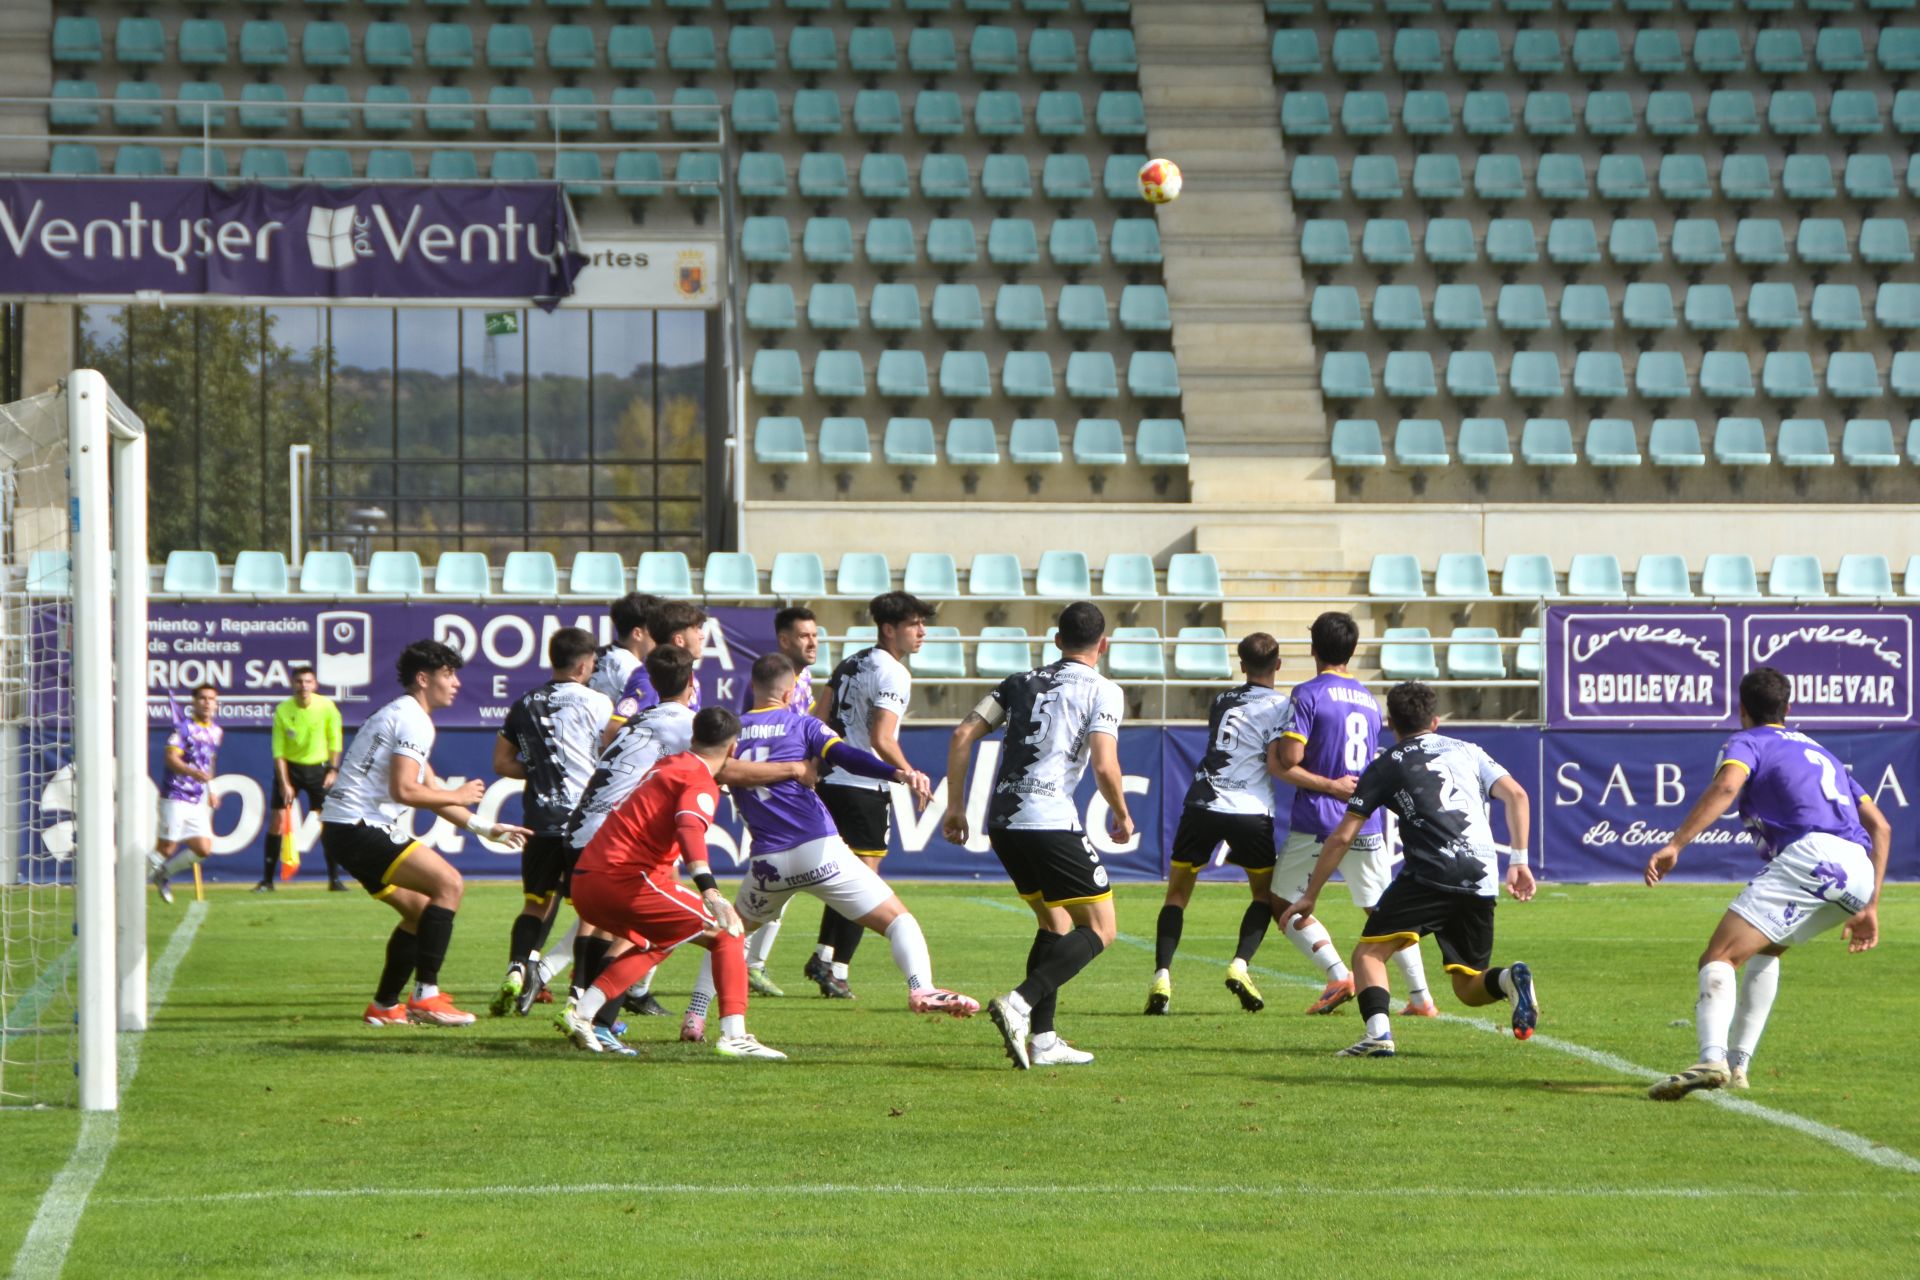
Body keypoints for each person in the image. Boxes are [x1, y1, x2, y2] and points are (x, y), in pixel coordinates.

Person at [680, 653, 977, 1040]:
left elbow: (715, 772)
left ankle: (695, 1016)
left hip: (768, 863)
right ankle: (920, 986)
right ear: (790, 692)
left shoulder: (733, 735)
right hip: (818, 849)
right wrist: (897, 772)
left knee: (729, 934)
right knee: (898, 921)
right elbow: (847, 756)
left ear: (752, 687)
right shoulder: (803, 724)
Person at [1644, 666, 1889, 1101]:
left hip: (1815, 856)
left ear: (1741, 709)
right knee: (1768, 946)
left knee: (1718, 955)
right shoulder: (1822, 752)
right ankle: (1738, 1066)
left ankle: (1711, 1058)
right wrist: (1870, 906)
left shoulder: (1748, 741)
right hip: (1858, 870)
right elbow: (1881, 827)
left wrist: (1675, 844)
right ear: (1788, 708)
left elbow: (1726, 786)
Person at [552, 646, 809, 1041]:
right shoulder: (694, 771)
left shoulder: (654, 745)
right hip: (619, 873)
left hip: (587, 859)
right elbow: (691, 826)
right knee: (728, 931)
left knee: (666, 933)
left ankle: (585, 1014)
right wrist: (711, 892)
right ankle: (735, 1036)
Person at [1281, 682, 1539, 1059]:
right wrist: (1519, 860)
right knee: (1467, 988)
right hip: (1481, 873)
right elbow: (1517, 795)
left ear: (1390, 723)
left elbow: (1342, 837)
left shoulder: (1385, 765)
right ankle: (1508, 979)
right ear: (1435, 721)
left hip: (1434, 870)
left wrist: (1311, 894)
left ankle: (1378, 1035)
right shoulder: (1469, 750)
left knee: (1367, 956)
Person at [945, 602, 1132, 1071]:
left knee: (1056, 925)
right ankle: (1019, 1003)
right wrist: (1122, 814)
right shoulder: (1105, 690)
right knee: (1102, 929)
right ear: (1103, 644)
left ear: (1056, 641)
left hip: (1003, 822)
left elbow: (962, 734)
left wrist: (954, 806)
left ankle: (1044, 1041)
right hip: (1048, 819)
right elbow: (1106, 764)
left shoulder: (1018, 682)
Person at [320, 639, 531, 1028]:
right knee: (449, 885)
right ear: (423, 679)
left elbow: (429, 794)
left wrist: (486, 827)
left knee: (420, 912)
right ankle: (426, 995)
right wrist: (458, 793)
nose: (456, 684)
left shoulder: (404, 714)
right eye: (448, 674)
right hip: (357, 825)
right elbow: (406, 791)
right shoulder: (414, 718)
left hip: (343, 828)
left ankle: (384, 1005)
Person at [1272, 612, 1436, 1018]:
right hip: (1367, 818)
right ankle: (1420, 999)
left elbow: (1291, 760)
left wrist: (1322, 781)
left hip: (1319, 820)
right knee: (1382, 912)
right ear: (1353, 650)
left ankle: (1337, 975)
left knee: (1282, 902)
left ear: (1313, 648)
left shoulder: (1307, 694)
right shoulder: (1367, 698)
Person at [1147, 633, 1294, 1015]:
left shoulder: (1221, 700)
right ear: (1278, 665)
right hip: (1250, 808)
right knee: (1264, 896)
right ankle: (1240, 965)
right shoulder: (1283, 706)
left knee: (1177, 894)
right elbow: (1279, 757)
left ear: (1241, 664)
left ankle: (1162, 975)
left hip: (1203, 802)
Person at [808, 591, 931, 998]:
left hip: (830, 781)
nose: (922, 631)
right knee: (864, 881)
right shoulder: (894, 672)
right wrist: (910, 772)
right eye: (914, 624)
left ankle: (825, 955)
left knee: (840, 876)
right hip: (861, 787)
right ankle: (837, 969)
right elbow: (881, 738)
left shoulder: (850, 662)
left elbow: (815, 720)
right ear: (889, 628)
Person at [487, 627, 615, 1017]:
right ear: (582, 665)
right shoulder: (598, 702)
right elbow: (612, 752)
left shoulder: (524, 704)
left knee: (535, 904)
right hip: (584, 823)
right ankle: (579, 994)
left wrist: (543, 770)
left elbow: (501, 762)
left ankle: (517, 967)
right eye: (592, 663)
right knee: (595, 913)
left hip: (540, 820)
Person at [739, 605, 823, 998]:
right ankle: (740, 959)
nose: (813, 642)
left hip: (790, 794)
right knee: (772, 880)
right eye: (805, 635)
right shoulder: (765, 685)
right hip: (767, 796)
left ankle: (748, 962)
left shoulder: (803, 683)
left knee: (779, 883)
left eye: (816, 635)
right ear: (785, 640)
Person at [258, 666, 344, 892]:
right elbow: (278, 751)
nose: (303, 686)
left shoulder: (326, 707)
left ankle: (334, 879)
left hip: (319, 770)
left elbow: (335, 740)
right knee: (277, 821)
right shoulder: (283, 710)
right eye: (299, 682)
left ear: (314, 685)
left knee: (329, 822)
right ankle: (267, 881)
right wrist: (285, 783)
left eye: (308, 681)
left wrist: (333, 770)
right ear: (293, 685)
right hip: (291, 770)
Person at [149, 683, 223, 905]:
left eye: (211, 699)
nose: (207, 702)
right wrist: (191, 772)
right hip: (175, 795)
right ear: (194, 702)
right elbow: (171, 758)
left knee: (203, 849)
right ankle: (126, 887)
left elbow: (209, 761)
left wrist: (212, 789)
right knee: (167, 848)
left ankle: (163, 874)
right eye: (202, 698)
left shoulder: (216, 732)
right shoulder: (183, 729)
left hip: (196, 799)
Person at [590, 591, 661, 703]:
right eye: (656, 628)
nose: (661, 635)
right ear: (637, 634)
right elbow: (628, 718)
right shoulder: (632, 670)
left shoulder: (596, 656)